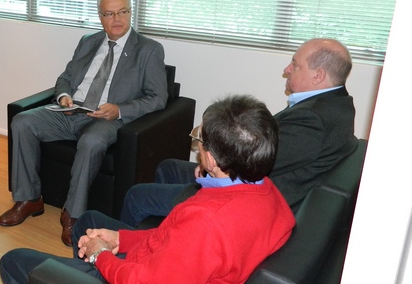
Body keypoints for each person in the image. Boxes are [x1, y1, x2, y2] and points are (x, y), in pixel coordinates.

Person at [0, 94, 296, 284]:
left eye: (200, 141)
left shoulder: (209, 220)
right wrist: (121, 238)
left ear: (214, 159)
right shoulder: (266, 192)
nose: (198, 146)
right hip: (164, 277)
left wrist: (101, 257)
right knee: (88, 221)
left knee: (14, 262)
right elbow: (176, 239)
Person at [119, 38, 357, 227]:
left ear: (318, 76)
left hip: (249, 202)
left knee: (137, 196)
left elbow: (256, 164)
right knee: (168, 167)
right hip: (256, 185)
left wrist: (212, 167)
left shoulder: (313, 120)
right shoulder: (336, 105)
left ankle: (133, 259)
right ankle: (171, 238)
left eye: (295, 65)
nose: (286, 69)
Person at [0, 0, 168, 246]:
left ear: (131, 12)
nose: (117, 19)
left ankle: (73, 214)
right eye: (109, 14)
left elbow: (158, 98)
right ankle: (29, 199)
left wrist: (119, 109)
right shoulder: (88, 41)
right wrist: (64, 96)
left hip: (107, 119)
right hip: (72, 110)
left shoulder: (149, 49)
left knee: (91, 141)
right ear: (100, 17)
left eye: (122, 11)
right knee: (22, 121)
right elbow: (65, 77)